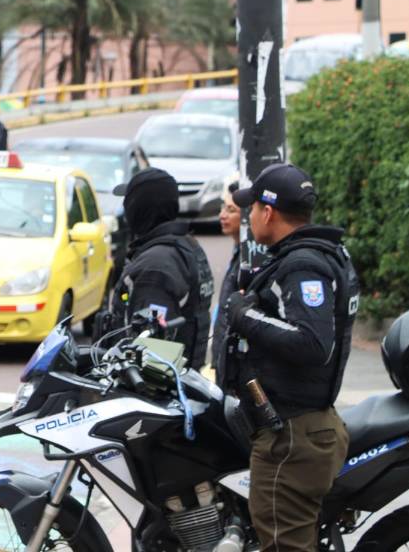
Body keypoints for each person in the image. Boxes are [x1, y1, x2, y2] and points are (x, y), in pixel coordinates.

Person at [223, 163, 357, 552]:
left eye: (250, 210)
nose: (247, 217)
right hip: (297, 426)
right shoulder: (314, 254)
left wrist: (245, 316)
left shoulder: (303, 265)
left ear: (268, 212)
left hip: (292, 435)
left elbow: (313, 344)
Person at [106, 168, 214, 369]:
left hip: (153, 389)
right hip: (182, 378)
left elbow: (151, 349)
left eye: (128, 202)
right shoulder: (186, 247)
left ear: (140, 208)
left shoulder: (157, 266)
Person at [209, 174, 241, 381]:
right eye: (223, 208)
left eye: (231, 210)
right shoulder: (237, 252)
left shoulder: (249, 260)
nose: (222, 215)